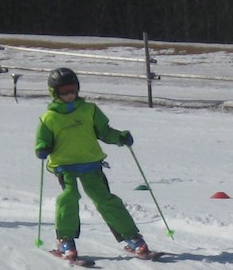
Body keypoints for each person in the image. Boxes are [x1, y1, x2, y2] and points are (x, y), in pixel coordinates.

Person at [34, 67, 150, 259]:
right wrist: (42, 148)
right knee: (69, 198)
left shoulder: (89, 110)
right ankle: (65, 240)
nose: (69, 94)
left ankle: (132, 237)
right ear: (54, 92)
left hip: (91, 163)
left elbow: (104, 131)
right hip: (65, 165)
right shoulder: (49, 118)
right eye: (64, 91)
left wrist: (119, 137)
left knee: (105, 200)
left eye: (72, 89)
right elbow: (42, 139)